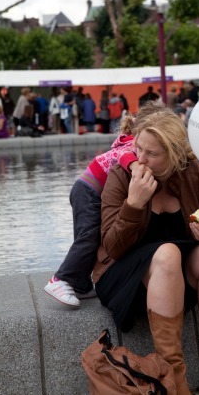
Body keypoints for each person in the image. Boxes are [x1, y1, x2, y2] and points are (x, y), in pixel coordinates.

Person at [93, 108, 199, 395]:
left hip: (176, 283)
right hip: (124, 280)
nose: (139, 158)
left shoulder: (196, 172)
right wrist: (134, 203)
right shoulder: (122, 175)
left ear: (174, 155)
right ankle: (175, 376)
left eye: (150, 153)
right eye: (138, 148)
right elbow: (111, 247)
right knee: (166, 252)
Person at [44, 102, 165, 307]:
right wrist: (136, 167)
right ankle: (61, 279)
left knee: (91, 236)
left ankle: (80, 284)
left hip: (86, 188)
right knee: (89, 236)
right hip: (88, 190)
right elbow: (123, 156)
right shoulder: (134, 145)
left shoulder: (130, 140)